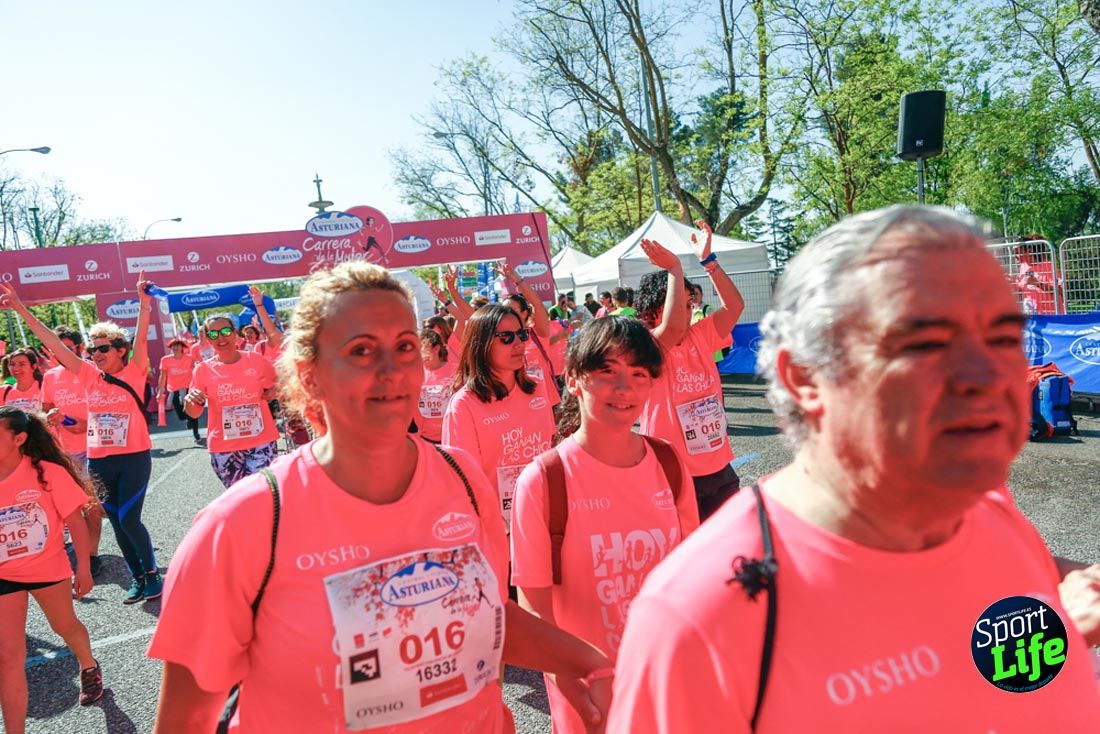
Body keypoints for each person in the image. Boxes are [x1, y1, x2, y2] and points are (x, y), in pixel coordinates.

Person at [608, 206, 1100, 733]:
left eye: (1002, 338)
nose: (986, 376)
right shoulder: (695, 621)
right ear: (805, 377)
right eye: (926, 343)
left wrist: (1064, 613)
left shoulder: (991, 514)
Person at [148, 260, 613, 733]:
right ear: (310, 376)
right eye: (362, 350)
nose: (392, 370)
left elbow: (490, 614)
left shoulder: (462, 477)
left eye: (405, 346)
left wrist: (585, 664)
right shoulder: (241, 524)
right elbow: (185, 720)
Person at [511, 316, 699, 734]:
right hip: (591, 698)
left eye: (638, 374)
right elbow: (535, 611)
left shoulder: (668, 463)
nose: (625, 388)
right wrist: (571, 681)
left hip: (666, 681)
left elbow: (691, 579)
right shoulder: (544, 480)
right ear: (574, 379)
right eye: (607, 372)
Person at [1, 278, 163, 605]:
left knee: (130, 518)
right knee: (116, 521)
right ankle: (137, 576)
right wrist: (19, 307)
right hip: (101, 458)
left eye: (103, 348)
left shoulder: (134, 370)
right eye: (93, 349)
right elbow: (51, 341)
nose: (96, 353)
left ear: (120, 350)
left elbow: (142, 334)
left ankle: (152, 573)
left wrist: (143, 302)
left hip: (134, 456)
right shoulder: (87, 373)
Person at [0, 408, 104, 732]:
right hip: (4, 575)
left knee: (65, 626)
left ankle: (88, 665)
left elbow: (75, 519)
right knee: (7, 658)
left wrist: (83, 567)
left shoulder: (47, 472)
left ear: (19, 439)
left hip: (48, 570)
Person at [634, 221, 744, 520]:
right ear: (650, 312)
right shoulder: (646, 347)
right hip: (672, 473)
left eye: (688, 305)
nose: (687, 312)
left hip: (719, 468)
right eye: (678, 305)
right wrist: (675, 270)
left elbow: (734, 306)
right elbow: (671, 327)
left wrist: (709, 263)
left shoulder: (701, 334)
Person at [443, 304, 558, 536]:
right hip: (499, 532)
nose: (518, 343)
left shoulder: (537, 387)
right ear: (482, 344)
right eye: (505, 337)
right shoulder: (464, 405)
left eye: (521, 334)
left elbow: (551, 447)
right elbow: (462, 483)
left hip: (546, 520)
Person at [183, 313, 279, 489]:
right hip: (224, 447)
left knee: (265, 496)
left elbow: (281, 384)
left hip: (261, 441)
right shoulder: (202, 370)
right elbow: (194, 412)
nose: (221, 337)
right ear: (208, 340)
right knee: (240, 501)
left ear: (235, 334)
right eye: (213, 334)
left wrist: (277, 390)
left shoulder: (256, 361)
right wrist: (189, 400)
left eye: (226, 331)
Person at [40, 326, 104, 577]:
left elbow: (107, 406)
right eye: (58, 348)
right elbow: (45, 410)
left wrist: (87, 425)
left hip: (93, 445)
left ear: (79, 348)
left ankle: (92, 554)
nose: (62, 353)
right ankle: (78, 549)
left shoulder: (90, 371)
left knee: (92, 505)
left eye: (67, 347)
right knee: (69, 508)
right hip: (63, 452)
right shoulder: (50, 377)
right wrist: (51, 416)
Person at [415, 328, 456, 444]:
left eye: (423, 348)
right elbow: (413, 404)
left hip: (452, 436)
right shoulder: (416, 373)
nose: (420, 353)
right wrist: (421, 428)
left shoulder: (454, 369)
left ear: (436, 348)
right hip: (427, 438)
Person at [157, 338, 201, 444]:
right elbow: (163, 376)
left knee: (193, 411)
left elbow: (197, 371)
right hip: (174, 389)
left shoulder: (190, 358)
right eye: (173, 345)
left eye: (178, 345)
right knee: (181, 416)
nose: (175, 347)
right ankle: (189, 419)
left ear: (182, 347)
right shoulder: (165, 360)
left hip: (188, 389)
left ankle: (196, 433)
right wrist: (160, 391)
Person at [1013, 237, 1064, 315]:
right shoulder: (1022, 267)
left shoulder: (1049, 266)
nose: (1015, 255)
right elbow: (1021, 291)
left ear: (1028, 251)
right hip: (1032, 315)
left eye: (1017, 252)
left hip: (1051, 314)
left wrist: (1037, 283)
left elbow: (1060, 290)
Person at [1, 349, 43, 414]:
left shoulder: (44, 387)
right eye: (12, 364)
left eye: (22, 364)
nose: (16, 368)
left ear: (34, 366)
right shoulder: (3, 391)